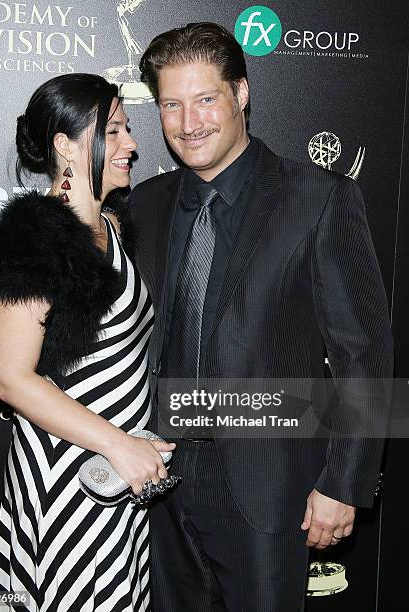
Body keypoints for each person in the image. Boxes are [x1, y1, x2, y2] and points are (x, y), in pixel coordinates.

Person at [129, 23, 394, 612]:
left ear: (241, 94)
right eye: (172, 104)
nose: (188, 122)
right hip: (159, 489)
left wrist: (343, 482)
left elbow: (364, 354)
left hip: (270, 488)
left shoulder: (318, 197)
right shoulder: (145, 205)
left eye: (205, 99)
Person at [0, 73, 176, 611]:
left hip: (115, 477)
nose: (131, 144)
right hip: (66, 482)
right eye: (117, 129)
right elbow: (9, 377)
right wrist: (119, 444)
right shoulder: (31, 240)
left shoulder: (112, 225)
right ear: (65, 144)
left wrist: (130, 446)